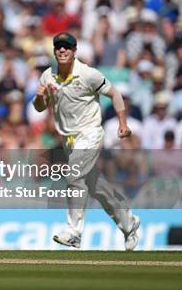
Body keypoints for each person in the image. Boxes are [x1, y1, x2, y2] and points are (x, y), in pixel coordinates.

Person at [32, 32, 140, 251]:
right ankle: (129, 223)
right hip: (68, 140)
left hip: (90, 133)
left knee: (73, 175)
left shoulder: (88, 74)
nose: (62, 50)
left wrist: (122, 123)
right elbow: (39, 107)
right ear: (54, 51)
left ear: (74, 51)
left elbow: (116, 95)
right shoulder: (47, 76)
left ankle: (74, 232)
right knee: (95, 187)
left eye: (67, 47)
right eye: (58, 47)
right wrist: (39, 97)